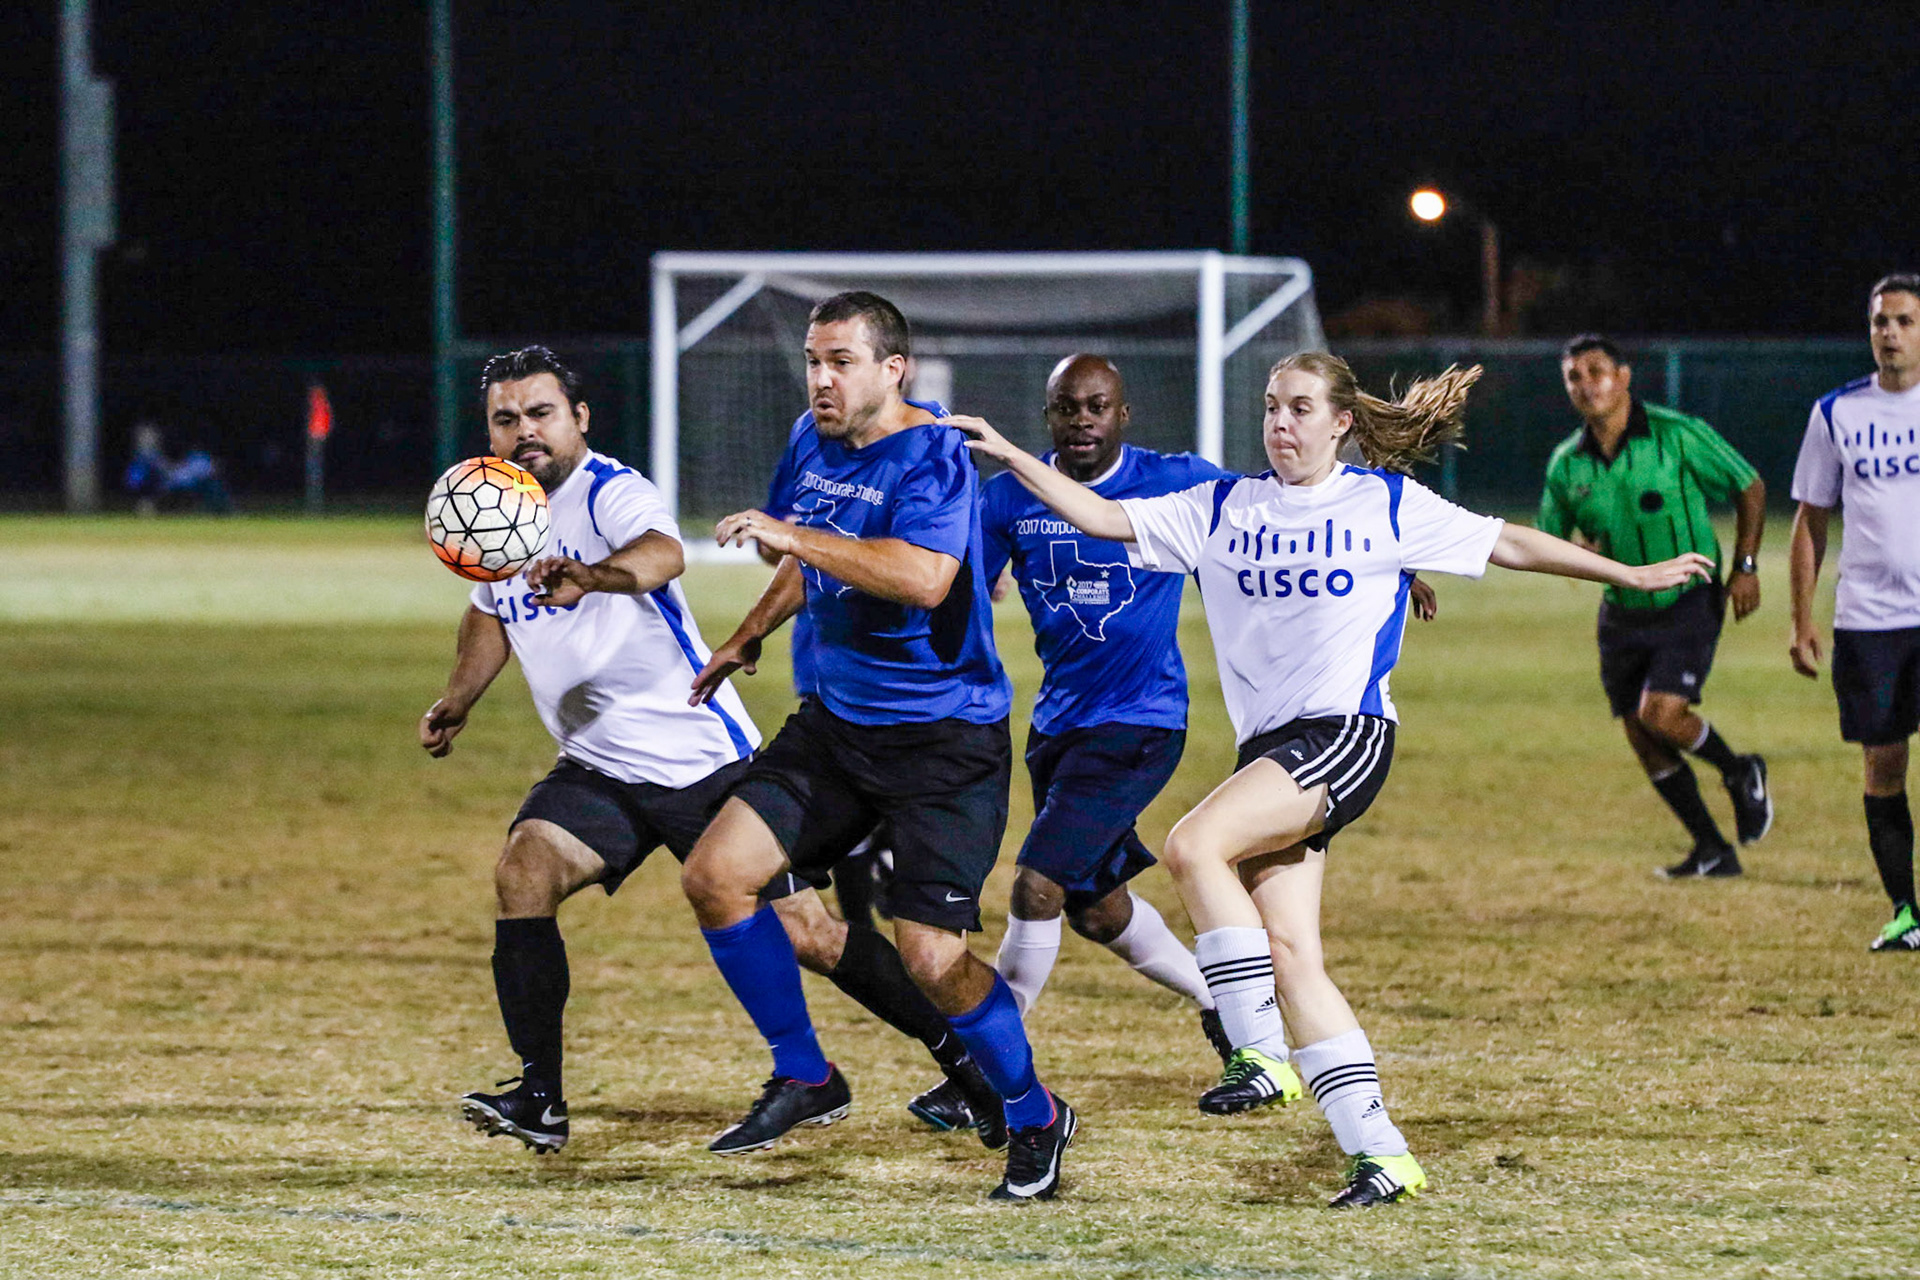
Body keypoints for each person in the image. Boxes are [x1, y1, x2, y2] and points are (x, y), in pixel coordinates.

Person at [952, 351, 1710, 1209]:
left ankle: (1258, 1054)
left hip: (1344, 736)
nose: (1283, 424)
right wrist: (1012, 455)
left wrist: (1630, 575)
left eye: (1302, 409)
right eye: (1274, 408)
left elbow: (1508, 542)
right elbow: (1100, 517)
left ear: (1342, 421)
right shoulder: (1223, 505)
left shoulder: (1383, 503)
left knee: (1195, 844)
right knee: (1293, 955)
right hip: (1273, 751)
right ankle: (1380, 1153)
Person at [420, 345, 987, 1153]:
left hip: (698, 761)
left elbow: (663, 554)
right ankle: (540, 1098)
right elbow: (489, 613)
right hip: (599, 767)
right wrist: (457, 700)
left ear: (579, 418)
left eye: (540, 413)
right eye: (505, 419)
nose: (524, 432)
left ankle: (964, 1064)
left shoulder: (611, 490)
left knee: (810, 934)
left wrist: (596, 576)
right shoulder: (495, 504)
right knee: (524, 872)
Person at [682, 292, 1074, 1201]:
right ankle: (808, 1076)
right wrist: (749, 633)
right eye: (814, 360)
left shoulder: (935, 453)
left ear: (892, 369)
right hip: (834, 728)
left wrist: (791, 534)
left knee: (932, 957)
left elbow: (925, 579)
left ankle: (1032, 1113)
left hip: (944, 739)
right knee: (715, 876)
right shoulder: (810, 438)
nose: (821, 378)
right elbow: (803, 555)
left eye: (841, 361)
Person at [1542, 335, 1772, 879]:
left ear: (1623, 377)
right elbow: (1551, 540)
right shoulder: (1566, 463)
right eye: (1573, 376)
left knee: (1660, 713)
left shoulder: (1676, 435)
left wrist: (1745, 567)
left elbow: (1750, 486)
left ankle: (1739, 770)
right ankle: (1713, 850)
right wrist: (1581, 551)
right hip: (1620, 609)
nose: (1585, 384)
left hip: (1687, 595)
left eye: (1595, 371)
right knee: (1642, 736)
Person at [1788, 274, 1920, 953]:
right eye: (1880, 323)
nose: (1890, 334)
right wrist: (1800, 618)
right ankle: (1906, 912)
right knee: (1883, 766)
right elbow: (1811, 521)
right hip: (1870, 621)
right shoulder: (1838, 413)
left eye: (1902, 321)